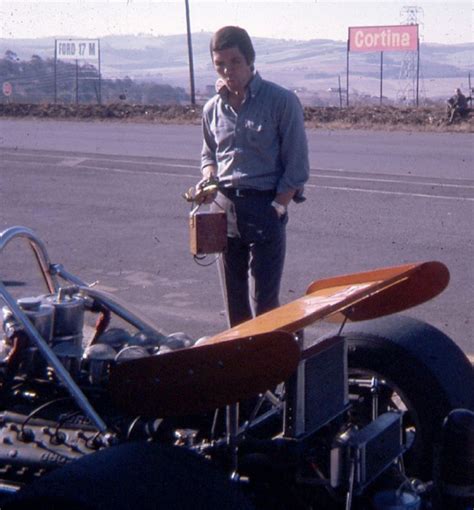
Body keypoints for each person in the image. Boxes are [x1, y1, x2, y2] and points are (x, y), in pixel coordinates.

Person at [200, 26, 310, 327]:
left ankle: (272, 367)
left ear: (250, 60)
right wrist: (209, 178)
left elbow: (297, 166)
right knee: (234, 305)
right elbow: (208, 155)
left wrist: (277, 207)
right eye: (220, 64)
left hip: (266, 208)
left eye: (234, 62)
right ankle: (242, 368)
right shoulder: (212, 109)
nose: (227, 70)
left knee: (266, 304)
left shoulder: (281, 101)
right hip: (223, 209)